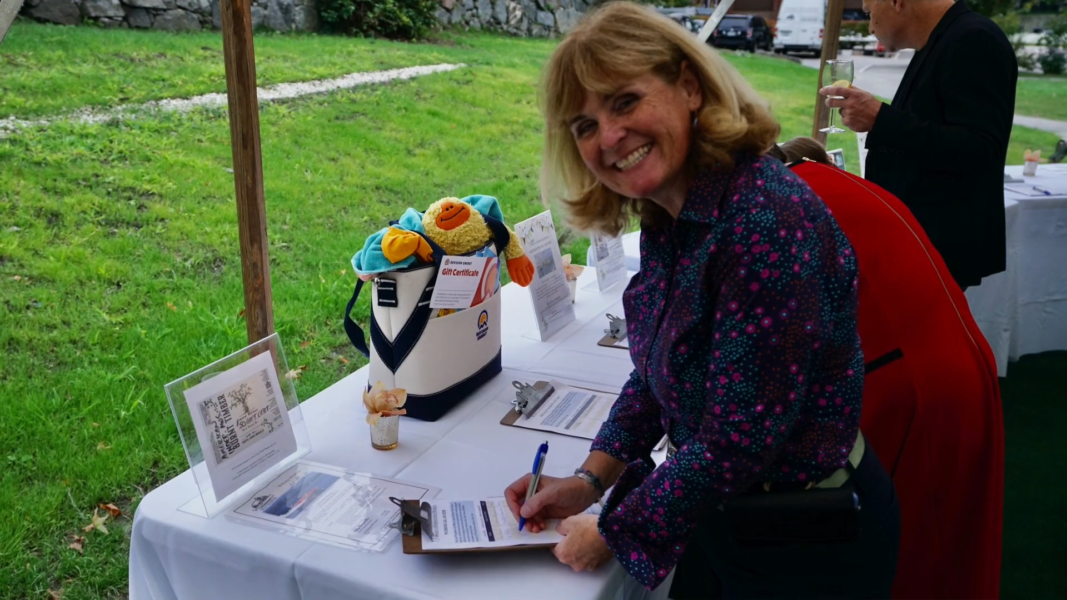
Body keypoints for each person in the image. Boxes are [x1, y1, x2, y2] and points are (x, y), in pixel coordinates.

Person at [505, 3, 900, 597]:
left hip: (803, 543)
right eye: (584, 125)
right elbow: (659, 370)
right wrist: (590, 479)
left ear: (689, 87)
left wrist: (613, 531)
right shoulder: (674, 211)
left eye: (625, 101)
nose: (608, 137)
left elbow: (738, 438)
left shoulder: (764, 218)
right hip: (728, 520)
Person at [775, 136, 1005, 599]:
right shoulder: (817, 178)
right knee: (951, 543)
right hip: (949, 359)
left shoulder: (774, 207)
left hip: (912, 387)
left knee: (911, 554)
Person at [819, 0, 1017, 291]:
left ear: (897, 2)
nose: (870, 27)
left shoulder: (973, 39)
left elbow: (979, 149)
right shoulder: (942, 39)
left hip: (938, 244)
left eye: (869, 13)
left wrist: (881, 119)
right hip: (918, 241)